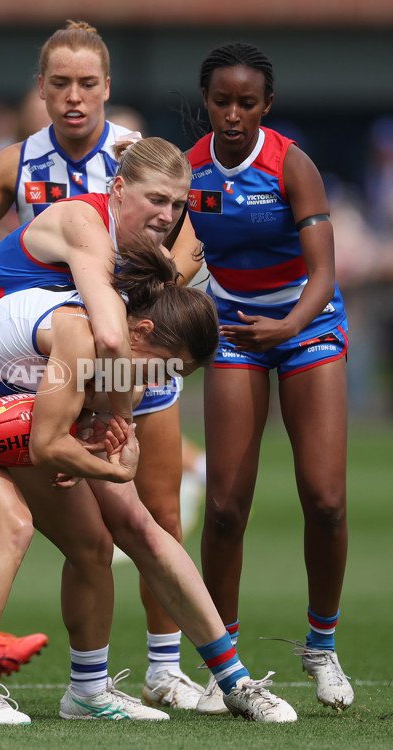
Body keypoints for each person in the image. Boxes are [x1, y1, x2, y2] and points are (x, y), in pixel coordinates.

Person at [0, 148, 297, 725]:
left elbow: (119, 351)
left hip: (18, 391)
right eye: (156, 199)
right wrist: (116, 446)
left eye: (177, 205)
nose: (166, 214)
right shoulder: (85, 227)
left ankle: (198, 682)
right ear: (118, 188)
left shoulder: (141, 272)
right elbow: (112, 342)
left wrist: (102, 427)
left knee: (109, 536)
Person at [0, 20, 206, 710]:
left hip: (122, 357)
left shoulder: (136, 161)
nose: (73, 97)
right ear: (41, 89)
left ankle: (163, 669)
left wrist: (139, 324)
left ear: (107, 89)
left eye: (87, 84)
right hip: (33, 359)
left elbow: (187, 255)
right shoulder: (16, 162)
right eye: (59, 83)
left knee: (151, 513)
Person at [171, 41, 353, 713]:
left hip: (306, 326)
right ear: (207, 103)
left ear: (266, 106)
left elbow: (326, 272)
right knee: (223, 508)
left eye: (247, 103)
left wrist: (287, 325)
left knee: (326, 500)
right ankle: (228, 669)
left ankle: (322, 644)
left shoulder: (291, 165)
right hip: (235, 335)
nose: (234, 114)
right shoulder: (190, 172)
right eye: (222, 101)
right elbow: (177, 259)